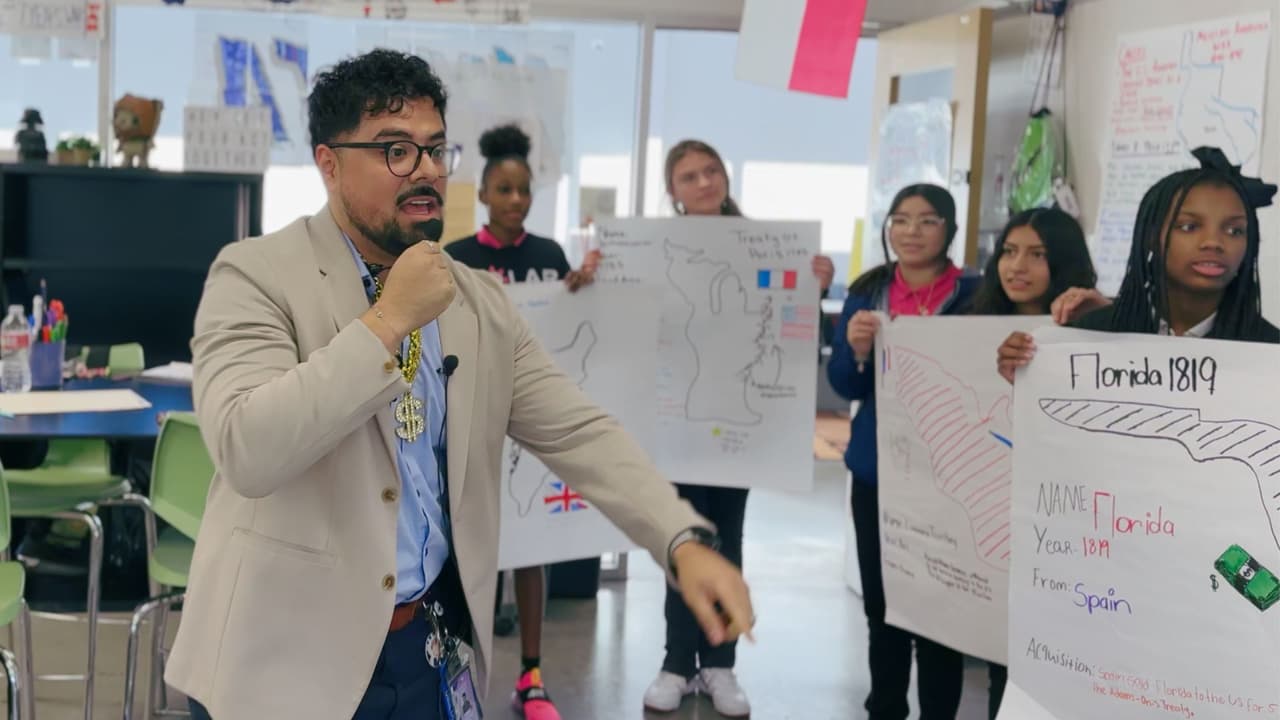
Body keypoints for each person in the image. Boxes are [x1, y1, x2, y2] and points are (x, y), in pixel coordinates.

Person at [167, 49, 754, 720]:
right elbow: (249, 447)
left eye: (436, 149)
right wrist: (388, 320)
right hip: (284, 668)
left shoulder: (478, 304)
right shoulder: (255, 274)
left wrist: (680, 538)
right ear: (329, 164)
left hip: (429, 650)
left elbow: (578, 430)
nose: (424, 171)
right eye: (395, 150)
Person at [640, 139, 834, 718]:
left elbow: (789, 328)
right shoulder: (655, 249)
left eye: (711, 171)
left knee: (727, 537)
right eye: (688, 176)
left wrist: (813, 286)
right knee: (681, 542)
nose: (703, 183)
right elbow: (626, 318)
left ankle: (720, 667)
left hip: (741, 425)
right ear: (671, 191)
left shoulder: (766, 245)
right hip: (675, 421)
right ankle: (677, 664)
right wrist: (601, 274)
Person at [445, 123, 594, 720]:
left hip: (530, 423)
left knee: (533, 547)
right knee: (459, 553)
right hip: (469, 423)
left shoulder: (550, 258)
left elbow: (567, 335)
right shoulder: (456, 257)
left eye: (523, 191)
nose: (514, 200)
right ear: (483, 193)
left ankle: (530, 677)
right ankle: (454, 670)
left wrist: (582, 291)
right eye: (503, 189)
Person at [828, 184, 976, 720]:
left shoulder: (977, 294)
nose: (911, 231)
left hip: (952, 477)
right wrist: (858, 352)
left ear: (950, 230)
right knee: (882, 607)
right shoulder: (867, 292)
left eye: (927, 220)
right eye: (901, 219)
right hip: (879, 472)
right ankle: (884, 708)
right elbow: (844, 383)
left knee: (943, 614)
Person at [966, 206, 1098, 719]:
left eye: (1038, 255)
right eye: (1009, 251)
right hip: (987, 511)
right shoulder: (972, 326)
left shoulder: (1093, 332)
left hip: (1057, 523)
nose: (1017, 266)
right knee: (996, 641)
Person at [998, 146, 1280, 386]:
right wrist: (1026, 374)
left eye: (1234, 231)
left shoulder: (1269, 352)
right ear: (1150, 237)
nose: (1214, 242)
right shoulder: (1090, 335)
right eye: (1189, 226)